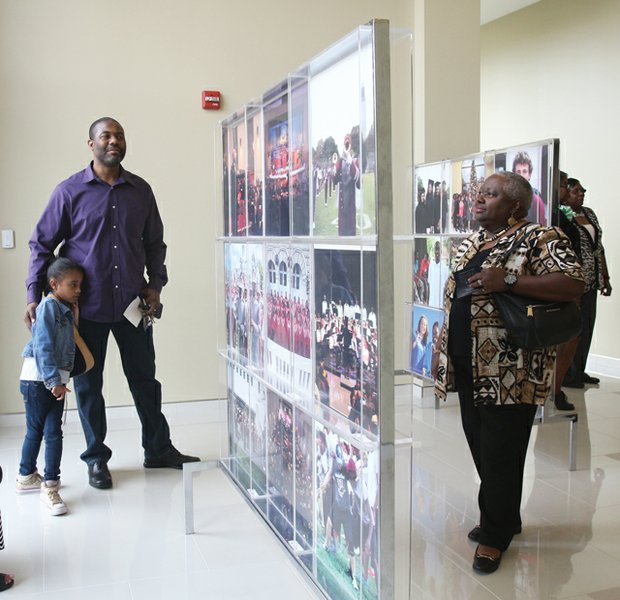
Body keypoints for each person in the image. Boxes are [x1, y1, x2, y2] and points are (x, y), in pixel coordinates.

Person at [25, 117, 200, 490]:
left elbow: (155, 243)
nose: (114, 140)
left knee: (145, 380)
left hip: (132, 306)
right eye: (105, 135)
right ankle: (96, 460)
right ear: (91, 144)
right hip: (83, 311)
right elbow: (42, 244)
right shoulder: (69, 192)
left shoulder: (141, 191)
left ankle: (158, 450)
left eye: (119, 135)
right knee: (89, 386)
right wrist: (33, 295)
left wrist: (157, 285)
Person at [434, 171, 584, 573]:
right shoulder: (473, 242)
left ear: (516, 204)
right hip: (468, 365)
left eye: (492, 194)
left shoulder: (540, 237)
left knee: (502, 452)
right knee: (482, 446)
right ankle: (505, 515)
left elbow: (574, 283)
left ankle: (495, 534)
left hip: (511, 369)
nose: (480, 199)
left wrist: (511, 280)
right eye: (479, 192)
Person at [18, 258, 85, 514]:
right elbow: (43, 347)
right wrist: (54, 382)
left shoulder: (62, 308)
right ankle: (50, 486)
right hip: (42, 381)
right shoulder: (49, 307)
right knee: (51, 433)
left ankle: (26, 476)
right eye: (73, 284)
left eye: (80, 285)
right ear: (54, 284)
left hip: (45, 380)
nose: (78, 289)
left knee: (39, 431)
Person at [561, 178, 612, 388]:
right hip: (575, 278)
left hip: (593, 277)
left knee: (588, 323)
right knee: (574, 325)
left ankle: (580, 370)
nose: (581, 194)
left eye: (583, 191)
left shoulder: (589, 214)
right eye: (576, 191)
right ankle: (567, 373)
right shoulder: (562, 215)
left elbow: (598, 247)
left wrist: (606, 276)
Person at [512, 151, 547, 225]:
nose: (521, 175)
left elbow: (541, 230)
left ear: (529, 175)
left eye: (524, 171)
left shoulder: (536, 201)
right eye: (518, 172)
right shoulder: (508, 197)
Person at [427, 241, 450, 307]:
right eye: (436, 249)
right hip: (432, 303)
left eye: (438, 249)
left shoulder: (445, 268)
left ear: (441, 251)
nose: (437, 251)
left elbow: (446, 288)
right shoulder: (431, 266)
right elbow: (429, 283)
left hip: (441, 304)